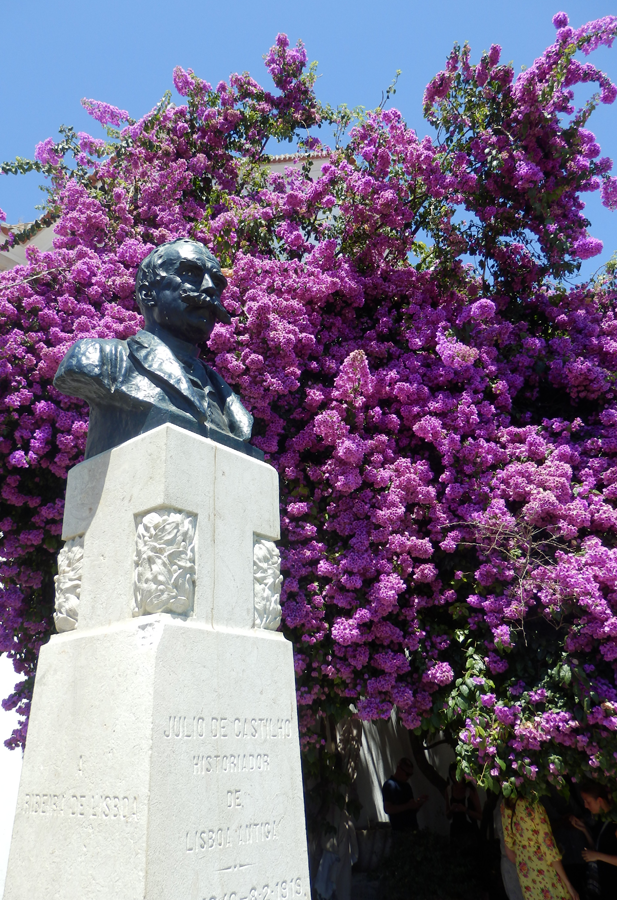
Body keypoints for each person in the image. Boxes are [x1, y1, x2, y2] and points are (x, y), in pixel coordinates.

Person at [54, 238, 259, 459]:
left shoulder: (225, 397)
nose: (210, 288)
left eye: (217, 284)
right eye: (190, 273)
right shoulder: (102, 360)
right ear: (147, 294)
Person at [501, 796, 579, 900]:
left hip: (526, 875)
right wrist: (568, 884)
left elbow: (509, 847)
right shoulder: (533, 805)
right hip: (545, 873)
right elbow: (550, 851)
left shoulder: (506, 805)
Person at [570, 781, 617, 899]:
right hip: (605, 885)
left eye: (588, 801)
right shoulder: (601, 820)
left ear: (599, 801)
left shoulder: (615, 823)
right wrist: (584, 829)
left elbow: (598, 854)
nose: (585, 805)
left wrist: (597, 856)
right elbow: (598, 848)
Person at [381, 757, 428, 832]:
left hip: (413, 829)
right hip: (400, 832)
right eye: (407, 774)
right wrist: (407, 805)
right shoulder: (389, 785)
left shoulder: (407, 786)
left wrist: (419, 803)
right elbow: (388, 809)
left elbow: (411, 810)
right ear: (399, 769)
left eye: (410, 774)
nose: (408, 777)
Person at [444, 762, 482, 850]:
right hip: (455, 832)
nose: (456, 778)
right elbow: (447, 815)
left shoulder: (470, 790)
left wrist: (465, 810)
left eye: (457, 775)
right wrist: (452, 810)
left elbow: (480, 816)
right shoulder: (449, 790)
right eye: (453, 776)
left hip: (470, 832)